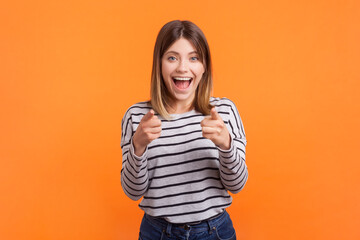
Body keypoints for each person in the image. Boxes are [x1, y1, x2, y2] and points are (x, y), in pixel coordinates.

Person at [120, 20, 248, 240]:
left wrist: (227, 146)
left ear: (204, 66)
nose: (182, 67)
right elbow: (132, 192)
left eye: (194, 57)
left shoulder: (224, 111)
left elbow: (237, 185)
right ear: (159, 64)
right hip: (157, 233)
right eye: (172, 57)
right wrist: (138, 147)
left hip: (214, 232)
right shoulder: (137, 117)